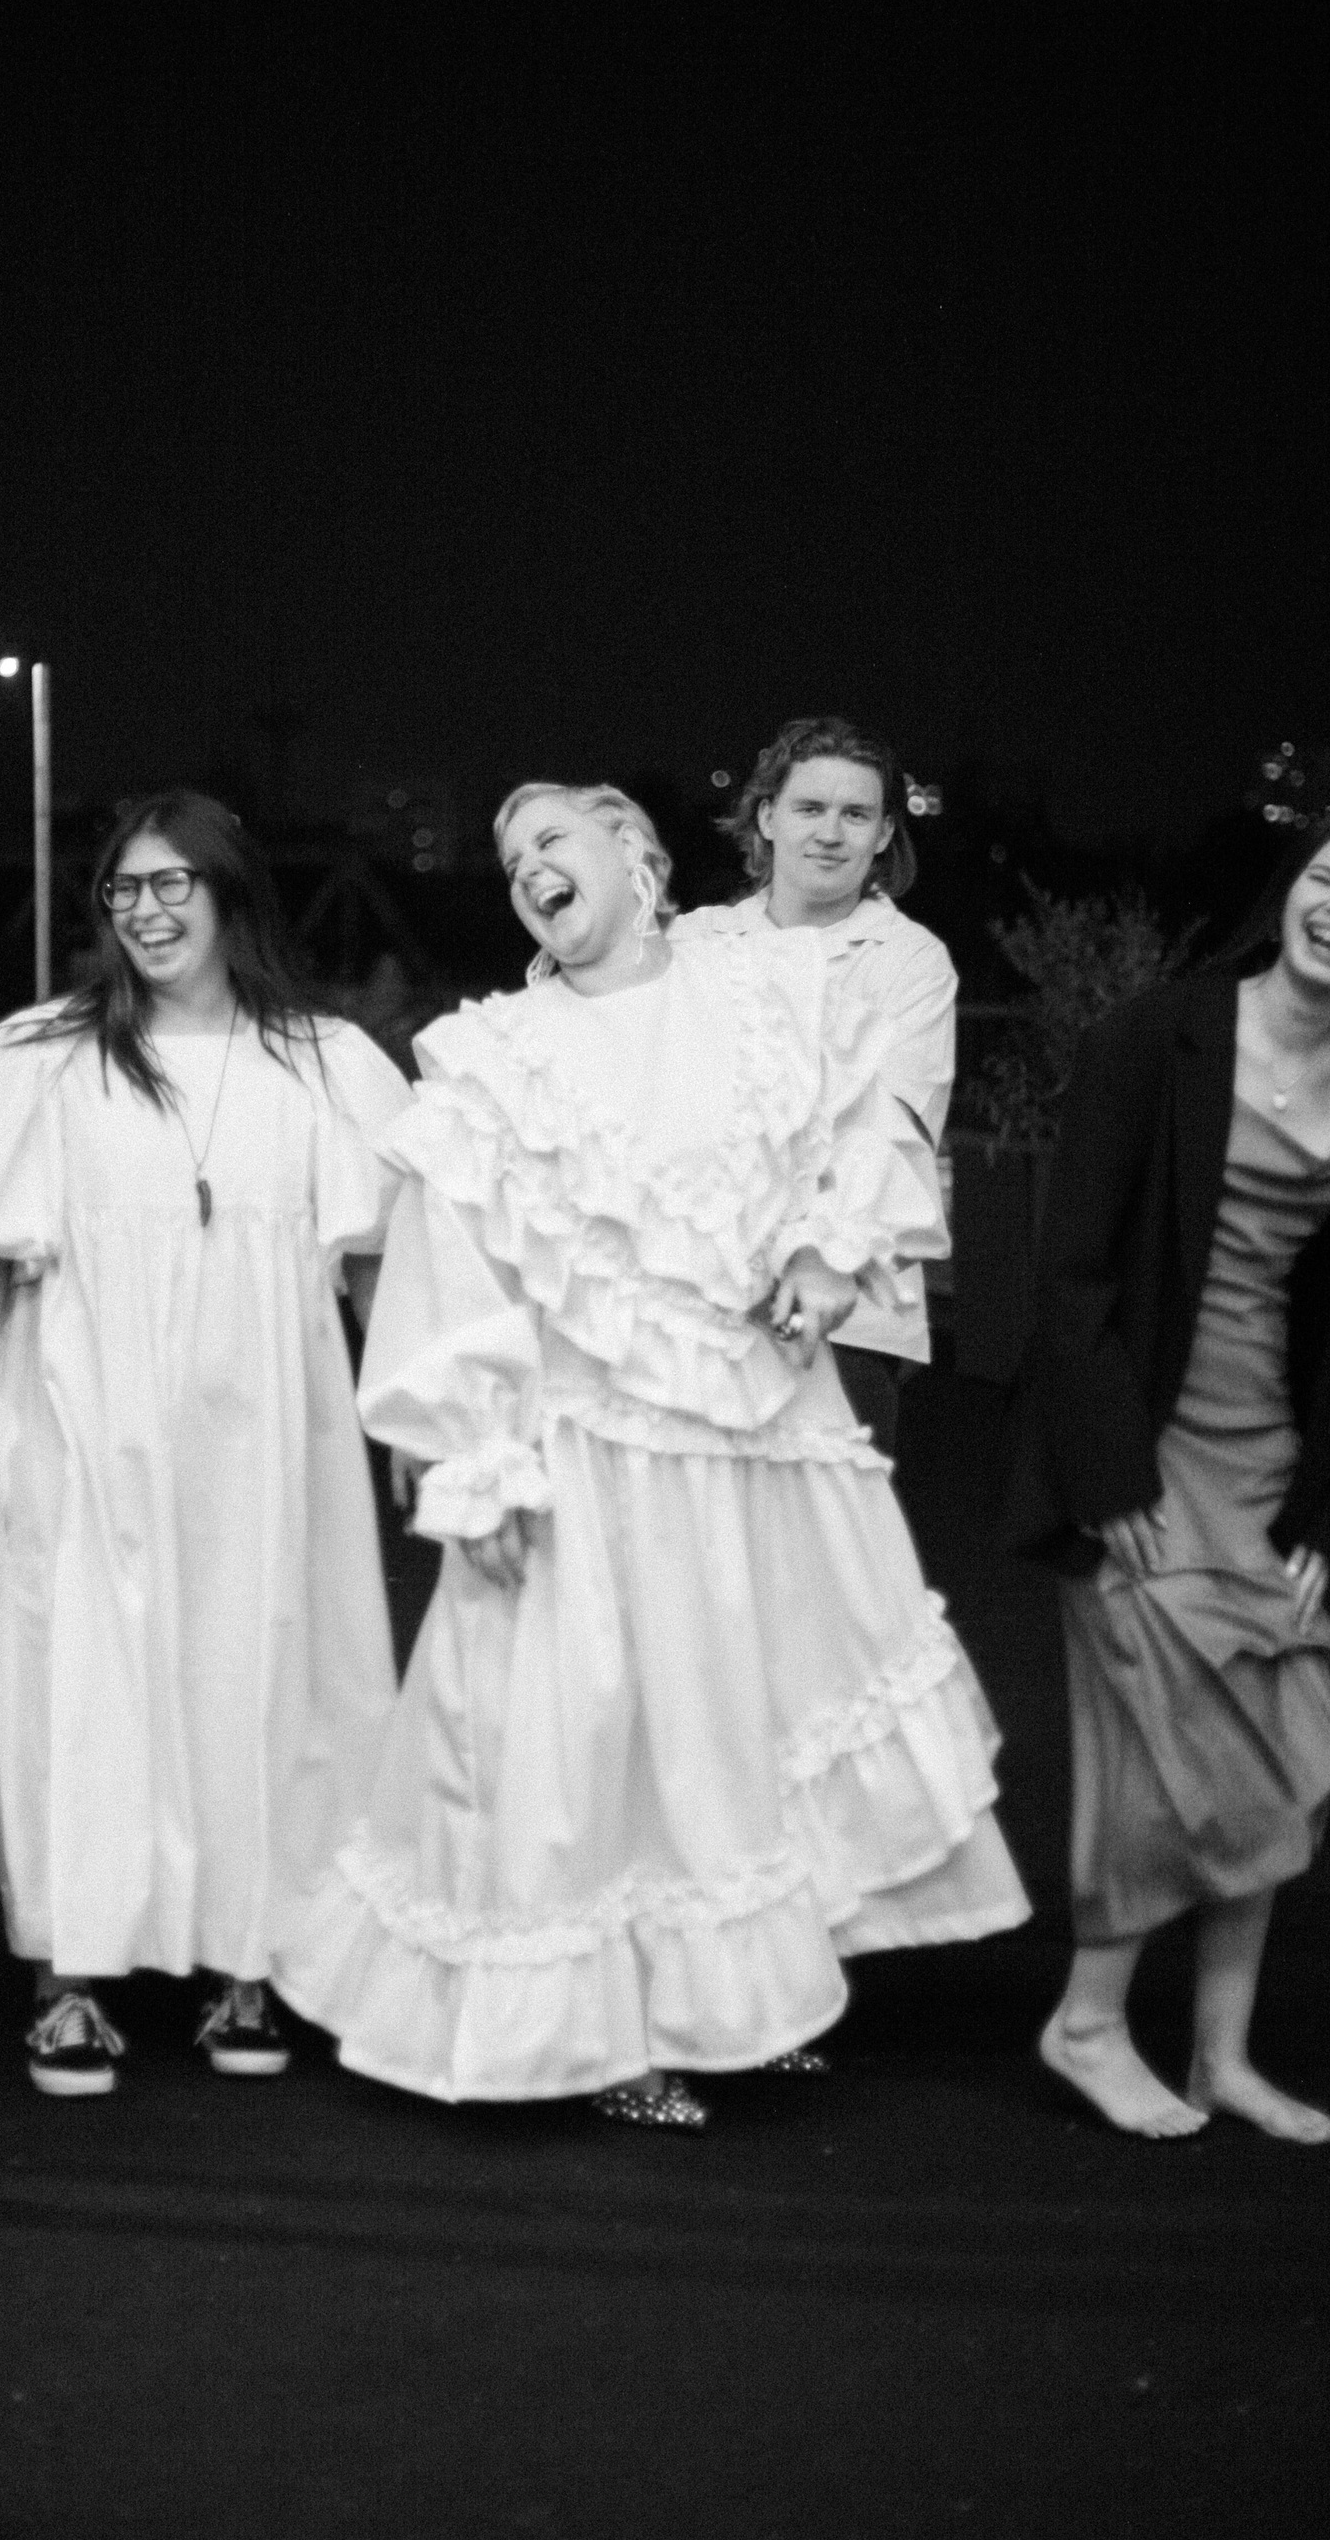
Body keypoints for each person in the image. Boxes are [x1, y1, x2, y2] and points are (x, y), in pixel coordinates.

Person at [276, 783, 1029, 2128]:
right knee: (590, 1739)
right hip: (587, 1448)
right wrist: (475, 1456)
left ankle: (730, 2006)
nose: (528, 867)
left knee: (728, 1723)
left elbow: (865, 1137)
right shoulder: (498, 1057)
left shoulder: (765, 997)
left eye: (551, 840)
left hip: (748, 1431)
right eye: (510, 857)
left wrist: (825, 1254)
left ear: (637, 856)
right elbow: (452, 1264)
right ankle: (603, 2039)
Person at [0, 791, 409, 2096]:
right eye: (126, 889)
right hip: (78, 1419)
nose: (149, 912)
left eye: (175, 885)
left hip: (268, 1437)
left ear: (230, 895)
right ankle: (72, 1976)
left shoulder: (327, 1062)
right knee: (84, 1686)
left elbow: (384, 1268)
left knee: (266, 1678)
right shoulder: (43, 1058)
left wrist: (419, 1421)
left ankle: (249, 1960)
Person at [1005, 811, 1330, 2143]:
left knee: (1281, 1750)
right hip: (1137, 1454)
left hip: (1270, 1464)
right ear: (1285, 896)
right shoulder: (1159, 1034)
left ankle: (1221, 2058)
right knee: (1161, 1755)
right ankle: (1087, 2024)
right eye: (1324, 878)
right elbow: (1070, 1271)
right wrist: (1107, 1475)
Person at [688, 716, 955, 1457]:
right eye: (809, 808)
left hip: (844, 1312)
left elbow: (889, 1135)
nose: (831, 833)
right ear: (766, 818)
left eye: (855, 814)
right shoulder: (695, 942)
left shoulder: (910, 961)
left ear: (883, 833)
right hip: (698, 1302)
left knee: (832, 1525)